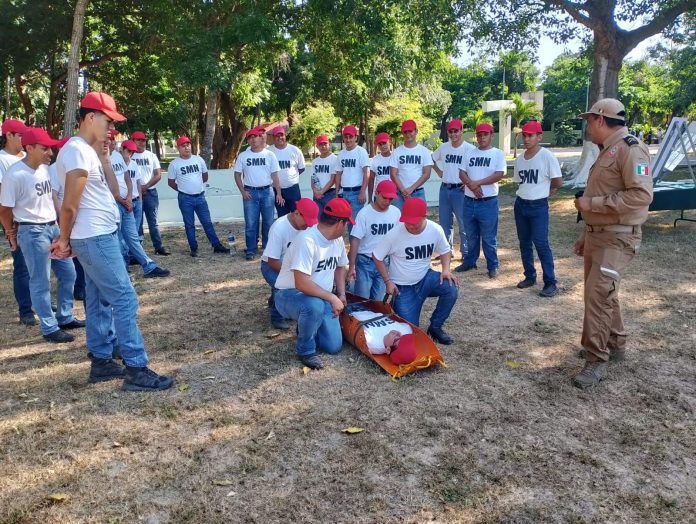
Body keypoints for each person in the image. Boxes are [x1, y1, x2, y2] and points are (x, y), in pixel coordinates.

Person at [51, 91, 173, 391]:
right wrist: (64, 240)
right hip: (93, 237)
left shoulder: (85, 151)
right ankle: (135, 368)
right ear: (90, 117)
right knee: (125, 298)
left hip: (97, 236)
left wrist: (105, 158)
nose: (110, 128)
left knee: (98, 298)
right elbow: (69, 205)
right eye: (108, 121)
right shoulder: (77, 151)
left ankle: (102, 361)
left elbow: (111, 190)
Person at [573, 98, 652, 389]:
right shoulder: (607, 150)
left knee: (598, 294)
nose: (588, 127)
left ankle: (596, 361)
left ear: (601, 120)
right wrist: (586, 235)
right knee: (604, 292)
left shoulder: (631, 150)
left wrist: (591, 203)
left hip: (618, 236)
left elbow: (641, 196)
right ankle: (615, 342)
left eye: (589, 121)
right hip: (599, 235)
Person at [0, 128, 83, 343]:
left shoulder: (46, 170)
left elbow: (52, 198)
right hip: (32, 231)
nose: (50, 152)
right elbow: (4, 209)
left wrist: (61, 225)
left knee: (69, 273)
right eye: (44, 148)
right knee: (40, 282)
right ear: (29, 148)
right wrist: (10, 232)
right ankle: (49, 327)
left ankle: (64, 316)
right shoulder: (15, 174)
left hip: (52, 228)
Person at [274, 198, 352, 369]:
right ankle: (305, 350)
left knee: (333, 346)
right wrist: (332, 298)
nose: (346, 228)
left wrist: (341, 294)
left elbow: (340, 267)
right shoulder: (307, 240)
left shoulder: (337, 240)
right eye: (346, 224)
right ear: (340, 223)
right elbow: (302, 284)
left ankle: (307, 326)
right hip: (289, 295)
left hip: (319, 297)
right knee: (313, 306)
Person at [372, 197, 458, 345]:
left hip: (425, 278)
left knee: (451, 288)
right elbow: (377, 256)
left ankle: (436, 327)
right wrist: (387, 281)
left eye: (414, 222)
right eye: (407, 222)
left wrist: (445, 269)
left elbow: (445, 250)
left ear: (424, 216)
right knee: (411, 333)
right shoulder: (394, 234)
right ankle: (401, 310)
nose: (410, 226)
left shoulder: (435, 229)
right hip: (402, 288)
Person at [512, 121, 563, 297]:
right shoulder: (520, 159)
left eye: (530, 135)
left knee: (541, 243)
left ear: (539, 137)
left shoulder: (546, 156)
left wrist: (547, 192)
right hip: (521, 204)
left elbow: (557, 181)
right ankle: (530, 276)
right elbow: (520, 181)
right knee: (524, 242)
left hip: (538, 206)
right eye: (524, 135)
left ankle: (550, 282)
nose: (526, 139)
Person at [112, 138, 170, 277]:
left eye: (113, 139)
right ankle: (124, 268)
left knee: (132, 237)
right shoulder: (107, 158)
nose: (131, 154)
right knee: (120, 239)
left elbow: (129, 180)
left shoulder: (118, 158)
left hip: (129, 202)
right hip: (117, 203)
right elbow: (111, 183)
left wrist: (130, 198)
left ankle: (148, 266)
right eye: (129, 151)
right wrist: (121, 199)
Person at [260, 198, 319, 330]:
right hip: (272, 266)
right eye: (307, 221)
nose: (309, 226)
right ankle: (277, 316)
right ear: (297, 213)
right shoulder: (279, 228)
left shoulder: (309, 227)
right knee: (283, 286)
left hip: (294, 265)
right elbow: (272, 260)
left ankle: (273, 300)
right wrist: (291, 274)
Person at [458, 122, 506, 278]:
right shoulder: (469, 153)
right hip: (469, 200)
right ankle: (470, 261)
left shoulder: (497, 153)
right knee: (470, 234)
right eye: (479, 135)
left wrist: (476, 183)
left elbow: (499, 174)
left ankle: (492, 265)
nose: (482, 137)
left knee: (488, 237)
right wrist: (471, 186)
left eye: (485, 134)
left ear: (492, 135)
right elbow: (462, 173)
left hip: (488, 202)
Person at [167, 135, 229, 257]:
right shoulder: (174, 164)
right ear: (178, 148)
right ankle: (193, 248)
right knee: (189, 224)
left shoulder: (198, 160)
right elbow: (171, 182)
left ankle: (216, 246)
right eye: (183, 146)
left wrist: (196, 186)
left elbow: (205, 176)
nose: (186, 148)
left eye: (188, 145)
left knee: (207, 222)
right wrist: (183, 190)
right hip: (185, 198)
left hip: (200, 197)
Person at [0, 118, 34, 325]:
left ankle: (38, 300)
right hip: (18, 222)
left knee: (39, 267)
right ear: (8, 135)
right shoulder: (2, 160)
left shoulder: (28, 156)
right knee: (22, 267)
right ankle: (26, 310)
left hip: (37, 219)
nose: (23, 138)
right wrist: (10, 229)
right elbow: (3, 200)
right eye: (19, 134)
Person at [233, 127, 284, 260]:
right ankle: (251, 249)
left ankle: (267, 248)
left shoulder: (269, 155)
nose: (253, 139)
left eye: (255, 136)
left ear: (260, 138)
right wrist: (243, 191)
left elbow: (275, 175)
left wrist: (278, 193)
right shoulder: (243, 156)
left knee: (268, 222)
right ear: (248, 141)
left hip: (267, 192)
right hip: (250, 193)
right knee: (251, 223)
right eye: (250, 138)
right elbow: (237, 174)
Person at [432, 119, 475, 269]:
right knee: (445, 223)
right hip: (445, 188)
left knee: (463, 223)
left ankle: (466, 251)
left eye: (456, 131)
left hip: (460, 189)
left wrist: (468, 181)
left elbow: (474, 167)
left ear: (461, 130)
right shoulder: (444, 147)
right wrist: (439, 172)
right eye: (450, 131)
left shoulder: (469, 149)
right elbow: (430, 159)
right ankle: (447, 251)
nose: (453, 134)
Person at [347, 180, 401, 300]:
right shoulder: (364, 214)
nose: (387, 202)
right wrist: (352, 267)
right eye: (385, 197)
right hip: (365, 260)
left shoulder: (396, 213)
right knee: (362, 299)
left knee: (377, 301)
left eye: (390, 199)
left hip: (384, 261)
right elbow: (355, 240)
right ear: (376, 193)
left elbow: (398, 239)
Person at [49, 136, 86, 300]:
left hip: (75, 215)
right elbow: (54, 195)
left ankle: (80, 287)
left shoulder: (72, 166)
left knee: (79, 254)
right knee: (73, 255)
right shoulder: (55, 168)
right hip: (67, 217)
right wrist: (61, 217)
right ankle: (79, 289)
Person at [131, 130, 170, 256]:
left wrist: (146, 186)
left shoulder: (151, 156)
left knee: (153, 222)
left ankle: (158, 247)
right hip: (135, 195)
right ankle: (139, 251)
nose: (142, 142)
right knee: (138, 223)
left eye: (143, 140)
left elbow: (158, 175)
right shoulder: (129, 156)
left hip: (150, 192)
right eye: (139, 140)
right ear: (133, 141)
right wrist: (138, 189)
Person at [389, 120, 433, 210]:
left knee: (419, 221)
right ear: (402, 133)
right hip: (399, 193)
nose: (408, 134)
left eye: (410, 131)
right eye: (405, 132)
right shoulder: (397, 152)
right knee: (399, 221)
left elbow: (427, 174)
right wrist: (403, 191)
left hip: (418, 192)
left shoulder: (424, 151)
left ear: (416, 131)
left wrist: (411, 189)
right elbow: (393, 174)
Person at [334, 125, 369, 228]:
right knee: (345, 223)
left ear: (355, 137)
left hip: (357, 192)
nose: (348, 140)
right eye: (346, 137)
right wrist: (337, 192)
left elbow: (366, 172)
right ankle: (352, 242)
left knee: (356, 223)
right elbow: (338, 174)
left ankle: (357, 244)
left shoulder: (361, 152)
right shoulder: (341, 154)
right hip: (344, 193)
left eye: (350, 137)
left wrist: (363, 192)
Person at [268, 126, 305, 217]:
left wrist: (291, 177)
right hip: (276, 189)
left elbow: (301, 168)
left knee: (297, 215)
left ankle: (297, 232)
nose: (280, 138)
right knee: (282, 216)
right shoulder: (268, 152)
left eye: (282, 135)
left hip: (293, 189)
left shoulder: (295, 150)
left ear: (285, 136)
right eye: (277, 136)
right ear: (273, 137)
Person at [310, 134, 337, 213]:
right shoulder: (315, 162)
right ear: (317, 146)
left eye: (325, 144)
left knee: (329, 219)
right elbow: (312, 178)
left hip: (330, 193)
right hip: (317, 195)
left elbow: (333, 179)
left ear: (329, 144)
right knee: (318, 220)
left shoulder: (334, 159)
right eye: (320, 144)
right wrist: (315, 191)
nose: (323, 146)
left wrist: (321, 192)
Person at [368, 132, 392, 202]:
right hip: (379, 195)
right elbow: (371, 180)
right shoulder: (375, 160)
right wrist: (370, 199)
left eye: (384, 143)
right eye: (380, 144)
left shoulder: (396, 157)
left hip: (395, 195)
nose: (382, 146)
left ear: (389, 142)